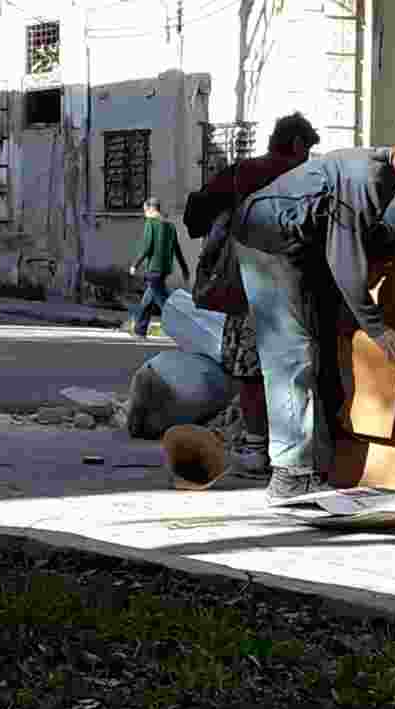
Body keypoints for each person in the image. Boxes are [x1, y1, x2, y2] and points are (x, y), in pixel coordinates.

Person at [231, 127, 395, 502]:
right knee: (292, 353)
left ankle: (314, 460)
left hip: (301, 245)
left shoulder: (386, 178)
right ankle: (290, 474)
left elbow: (372, 235)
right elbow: (346, 262)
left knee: (316, 346)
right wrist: (378, 328)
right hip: (267, 241)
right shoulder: (364, 177)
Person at [182, 112, 322, 477]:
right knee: (297, 372)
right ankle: (297, 454)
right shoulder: (306, 177)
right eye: (306, 150)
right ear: (295, 145)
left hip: (248, 291)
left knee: (250, 373)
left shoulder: (244, 173)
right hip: (300, 292)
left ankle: (259, 448)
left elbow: (195, 213)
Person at [129, 197, 187, 338]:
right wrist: (185, 269)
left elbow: (147, 247)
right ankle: (139, 331)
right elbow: (177, 249)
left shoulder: (151, 223)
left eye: (145, 211)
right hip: (165, 269)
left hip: (153, 269)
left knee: (165, 303)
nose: (144, 214)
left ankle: (183, 328)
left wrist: (135, 265)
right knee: (147, 301)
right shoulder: (170, 226)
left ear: (150, 208)